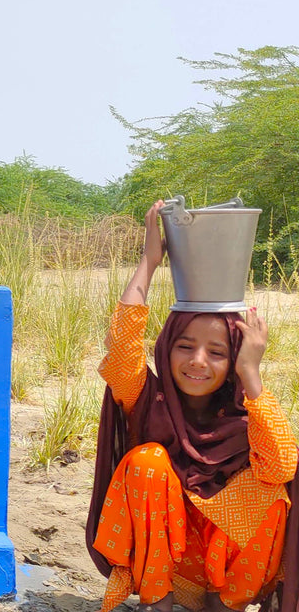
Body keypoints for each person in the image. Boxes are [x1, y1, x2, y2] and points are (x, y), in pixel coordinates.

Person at [86, 200, 299, 612]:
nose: (198, 361)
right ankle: (157, 601)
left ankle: (226, 604)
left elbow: (284, 466)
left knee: (271, 488)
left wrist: (251, 375)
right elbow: (122, 348)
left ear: (234, 360)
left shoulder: (245, 413)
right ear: (166, 349)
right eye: (185, 346)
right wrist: (150, 263)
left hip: (227, 576)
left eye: (217, 352)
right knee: (147, 460)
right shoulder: (147, 397)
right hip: (170, 569)